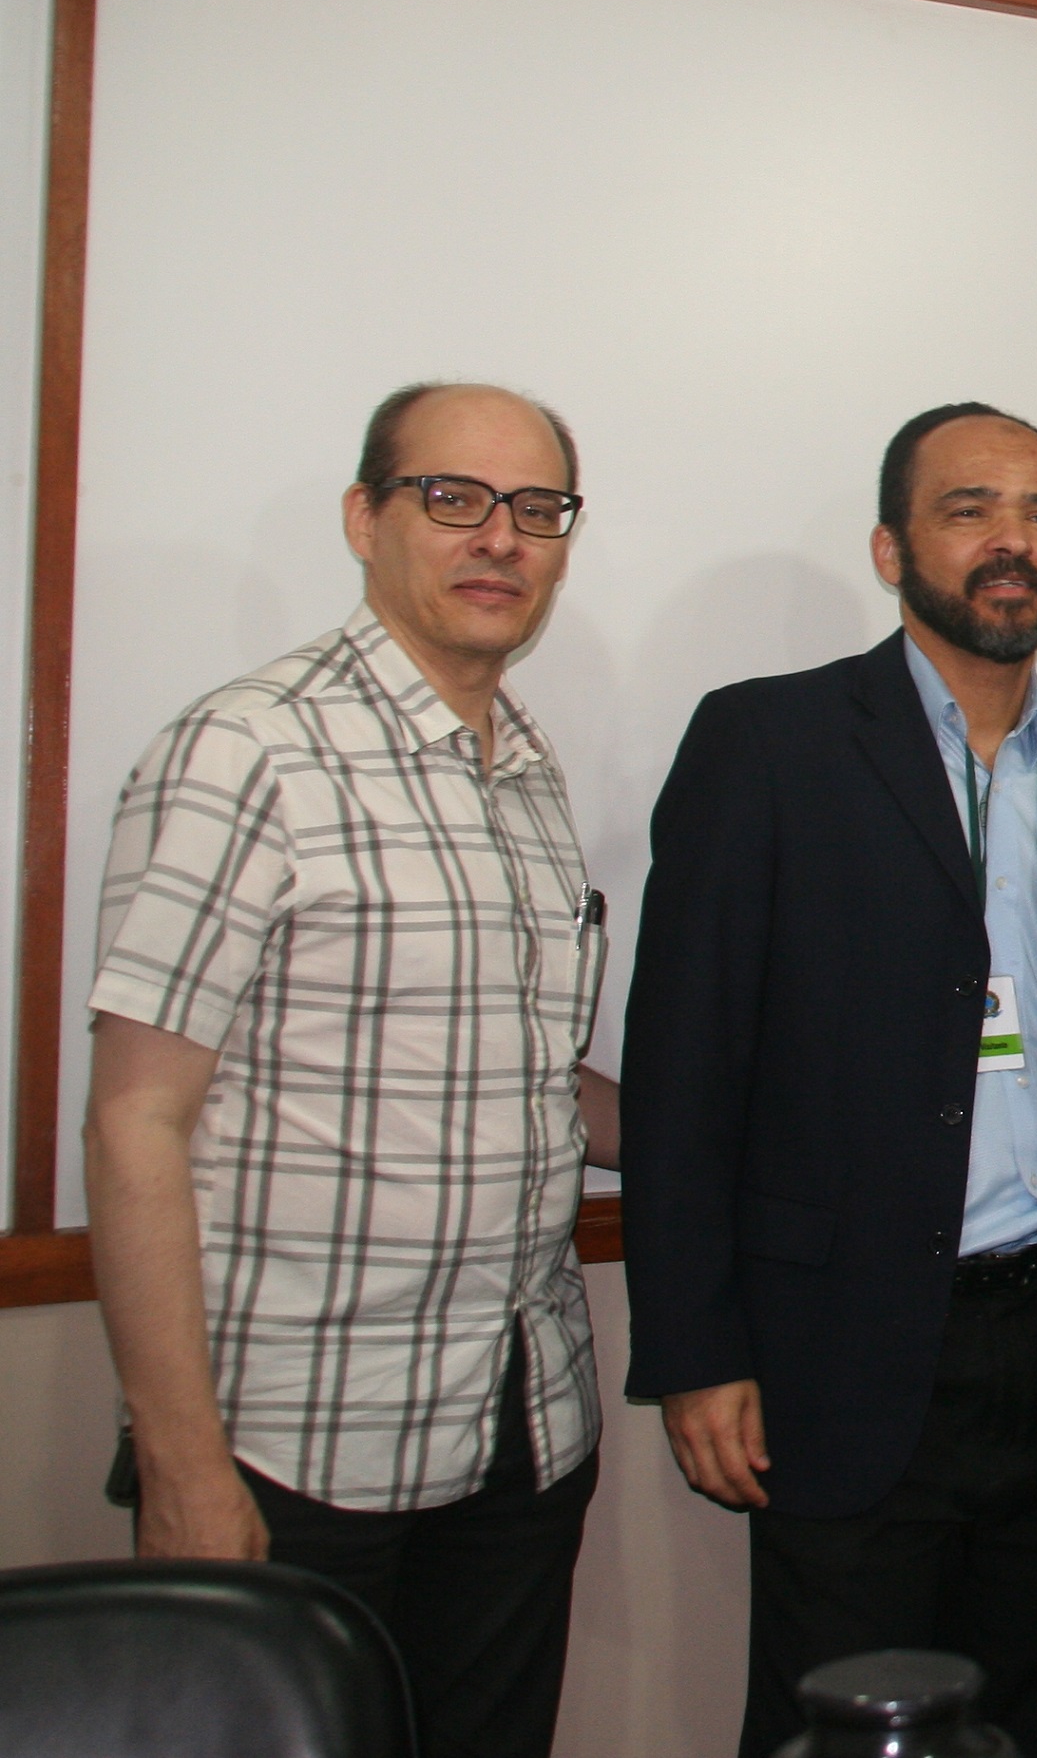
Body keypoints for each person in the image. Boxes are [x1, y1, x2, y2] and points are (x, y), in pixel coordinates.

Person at [619, 401, 1037, 1758]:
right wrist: (696, 1350)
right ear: (891, 548)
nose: (1015, 541)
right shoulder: (767, 744)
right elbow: (683, 1075)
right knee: (845, 1722)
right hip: (844, 1349)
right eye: (971, 509)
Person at [82, 382, 612, 1758]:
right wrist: (183, 1465)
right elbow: (136, 1119)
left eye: (537, 507)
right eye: (454, 497)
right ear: (364, 518)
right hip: (294, 1445)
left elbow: (525, 1072)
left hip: (517, 1424)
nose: (500, 537)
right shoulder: (248, 750)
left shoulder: (529, 773)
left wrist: (748, 1130)